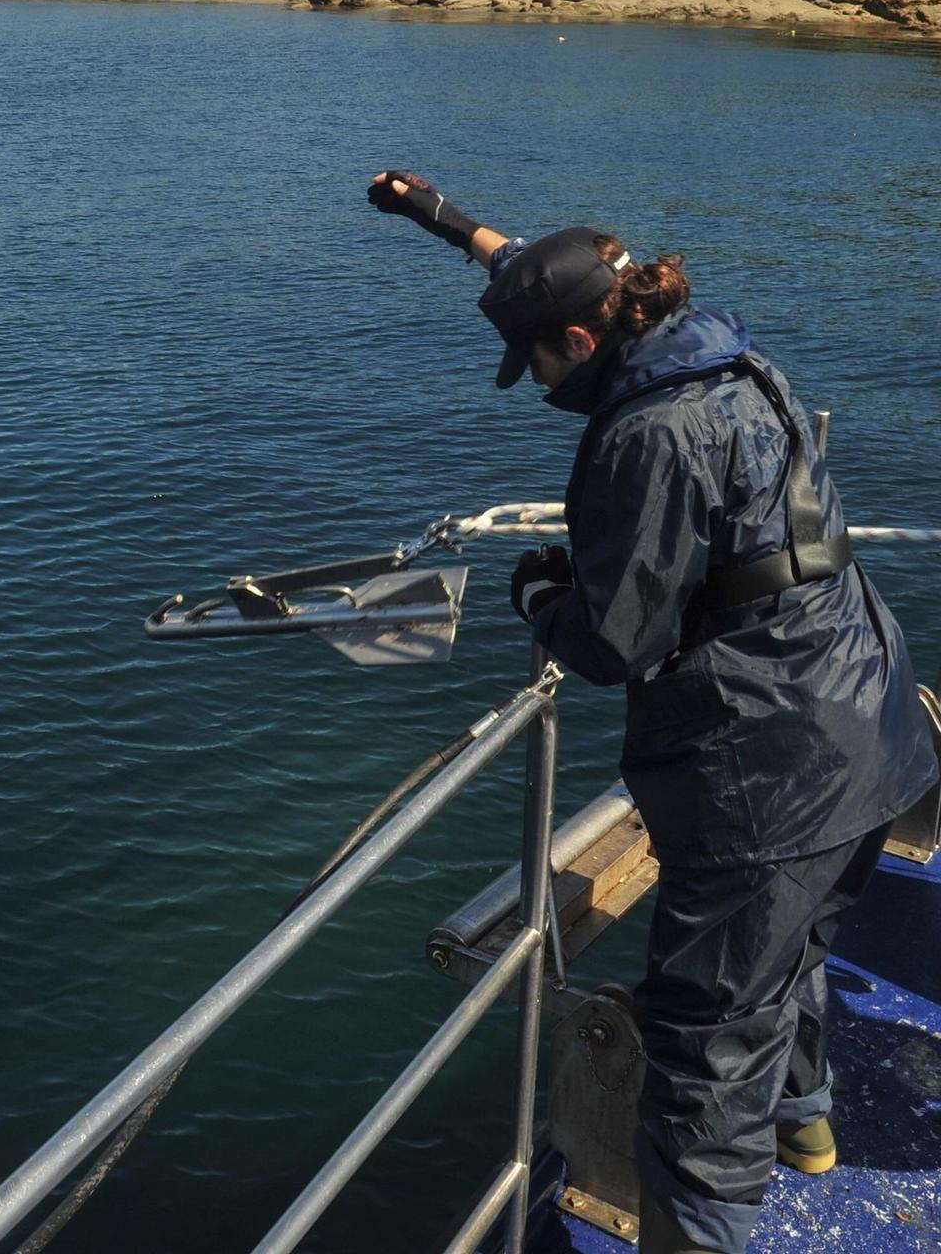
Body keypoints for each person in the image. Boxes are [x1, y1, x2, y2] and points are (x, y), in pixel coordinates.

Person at [367, 170, 938, 1254]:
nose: (532, 383)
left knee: (702, 1058)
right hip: (873, 733)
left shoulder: (648, 436)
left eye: (533, 360)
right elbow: (524, 258)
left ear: (581, 342)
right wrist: (432, 213)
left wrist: (540, 592)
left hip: (768, 777)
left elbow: (613, 641)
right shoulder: (723, 350)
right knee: (795, 955)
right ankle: (808, 1133)